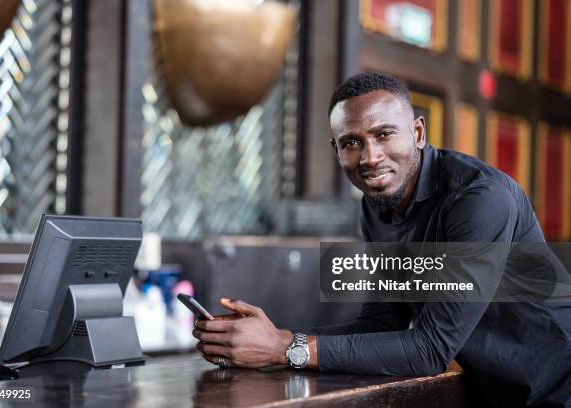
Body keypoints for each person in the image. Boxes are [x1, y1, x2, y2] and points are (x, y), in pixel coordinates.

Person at [192, 72, 571, 407]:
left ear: (418, 133)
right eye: (351, 143)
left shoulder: (480, 199)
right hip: (492, 389)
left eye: (383, 134)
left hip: (557, 388)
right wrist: (276, 338)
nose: (370, 157)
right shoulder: (377, 205)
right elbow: (383, 321)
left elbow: (429, 349)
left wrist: (282, 348)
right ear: (337, 150)